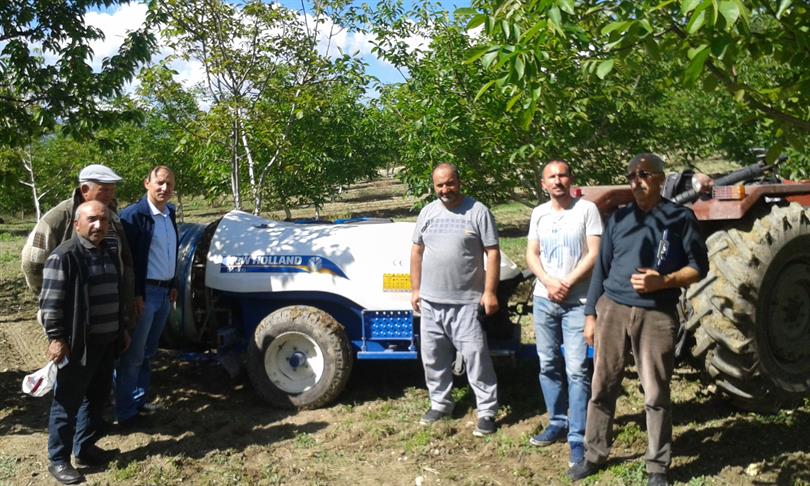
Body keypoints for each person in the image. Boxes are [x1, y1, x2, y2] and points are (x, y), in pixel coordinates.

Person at [567, 154, 709, 486]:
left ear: (660, 178)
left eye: (644, 174)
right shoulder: (619, 218)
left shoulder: (679, 218)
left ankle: (657, 465)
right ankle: (594, 454)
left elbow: (699, 267)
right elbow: (601, 269)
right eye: (631, 175)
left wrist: (664, 281)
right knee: (602, 386)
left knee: (655, 392)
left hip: (656, 313)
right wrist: (590, 315)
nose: (636, 180)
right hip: (612, 310)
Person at [40, 200, 129, 484]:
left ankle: (85, 448)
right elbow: (50, 304)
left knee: (96, 398)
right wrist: (56, 338)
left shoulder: (108, 252)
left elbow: (116, 294)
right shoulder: (64, 256)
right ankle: (58, 460)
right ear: (76, 224)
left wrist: (122, 330)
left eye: (103, 220)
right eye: (92, 219)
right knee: (67, 403)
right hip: (78, 345)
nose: (99, 225)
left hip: (106, 342)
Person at [410, 163, 501, 437]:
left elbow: (493, 253)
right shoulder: (427, 212)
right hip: (431, 302)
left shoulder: (478, 211)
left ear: (459, 182)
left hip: (466, 302)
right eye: (439, 185)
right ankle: (440, 404)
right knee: (433, 357)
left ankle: (487, 411)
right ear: (433, 186)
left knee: (476, 358)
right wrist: (415, 289)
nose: (445, 189)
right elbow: (416, 252)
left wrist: (489, 292)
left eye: (449, 183)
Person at [526, 160, 602, 467]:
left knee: (576, 369)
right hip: (544, 299)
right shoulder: (539, 213)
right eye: (552, 177)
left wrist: (567, 282)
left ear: (571, 179)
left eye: (563, 175)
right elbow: (531, 254)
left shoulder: (586, 210)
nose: (558, 180)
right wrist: (548, 281)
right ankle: (557, 421)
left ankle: (577, 436)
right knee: (547, 363)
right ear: (543, 184)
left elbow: (594, 253)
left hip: (576, 301)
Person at [21, 164, 135, 329]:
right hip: (72, 311)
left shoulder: (112, 215)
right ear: (85, 190)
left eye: (112, 190)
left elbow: (124, 257)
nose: (110, 195)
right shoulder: (59, 217)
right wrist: (49, 298)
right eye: (104, 190)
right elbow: (32, 262)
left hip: (107, 309)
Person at [115, 166, 178, 427]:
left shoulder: (169, 213)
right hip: (145, 294)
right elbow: (126, 260)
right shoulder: (133, 216)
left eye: (169, 184)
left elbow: (169, 252)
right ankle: (125, 412)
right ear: (147, 183)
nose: (164, 188)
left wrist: (173, 283)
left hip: (164, 292)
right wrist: (135, 294)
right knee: (133, 356)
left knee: (148, 352)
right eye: (160, 182)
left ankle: (138, 401)